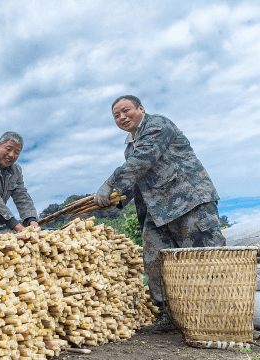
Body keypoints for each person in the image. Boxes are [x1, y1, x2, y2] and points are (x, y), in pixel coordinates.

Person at [93, 95, 226, 329]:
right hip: (158, 212)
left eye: (126, 111)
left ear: (141, 109)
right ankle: (169, 316)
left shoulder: (157, 125)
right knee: (155, 261)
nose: (122, 117)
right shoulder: (130, 148)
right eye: (116, 115)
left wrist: (110, 183)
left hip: (189, 203)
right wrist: (116, 199)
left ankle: (217, 317)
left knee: (204, 261)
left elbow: (143, 160)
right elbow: (138, 181)